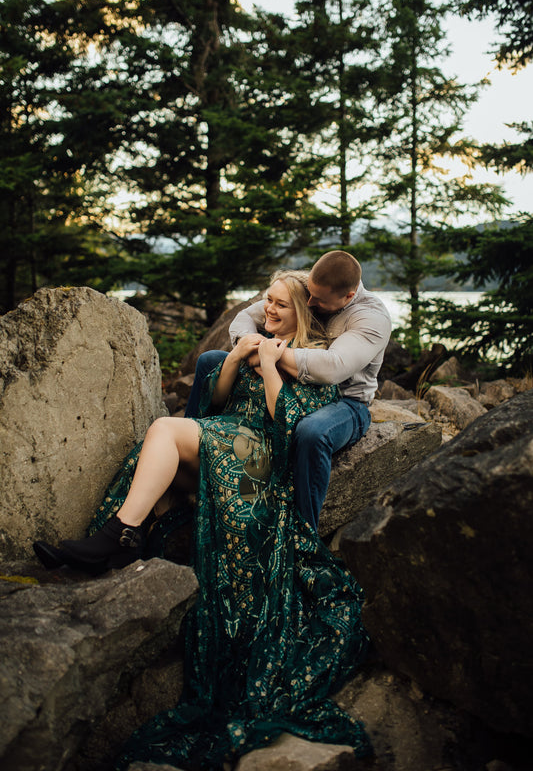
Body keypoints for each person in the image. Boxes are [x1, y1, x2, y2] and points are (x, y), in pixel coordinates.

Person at [33, 270, 372, 770]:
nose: (267, 310)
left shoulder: (313, 361)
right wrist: (237, 358)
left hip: (259, 459)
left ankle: (118, 536)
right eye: (267, 301)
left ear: (300, 311)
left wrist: (276, 366)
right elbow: (215, 401)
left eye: (278, 305)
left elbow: (289, 430)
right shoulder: (258, 338)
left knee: (168, 430)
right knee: (166, 439)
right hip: (228, 436)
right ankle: (122, 533)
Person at [185, 250, 392, 531]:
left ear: (348, 296)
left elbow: (332, 368)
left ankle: (304, 532)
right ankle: (190, 445)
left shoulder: (371, 318)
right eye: (309, 294)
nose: (309, 302)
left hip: (345, 402)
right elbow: (246, 316)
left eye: (318, 301)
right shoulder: (312, 286)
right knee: (210, 360)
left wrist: (271, 355)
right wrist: (251, 343)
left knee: (312, 431)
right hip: (294, 381)